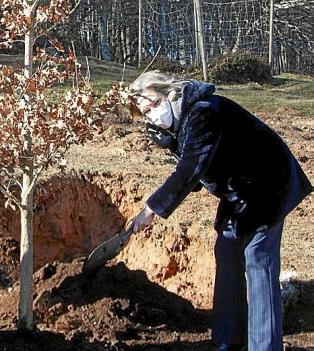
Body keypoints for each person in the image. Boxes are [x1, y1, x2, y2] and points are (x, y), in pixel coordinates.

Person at [126, 71, 312, 351]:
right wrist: (173, 144)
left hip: (269, 183)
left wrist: (152, 208)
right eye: (145, 112)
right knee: (226, 250)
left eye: (153, 104)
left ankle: (265, 346)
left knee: (257, 258)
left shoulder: (203, 112)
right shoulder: (178, 125)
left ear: (169, 92)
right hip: (238, 191)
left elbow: (189, 170)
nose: (152, 114)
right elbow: (199, 171)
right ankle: (230, 339)